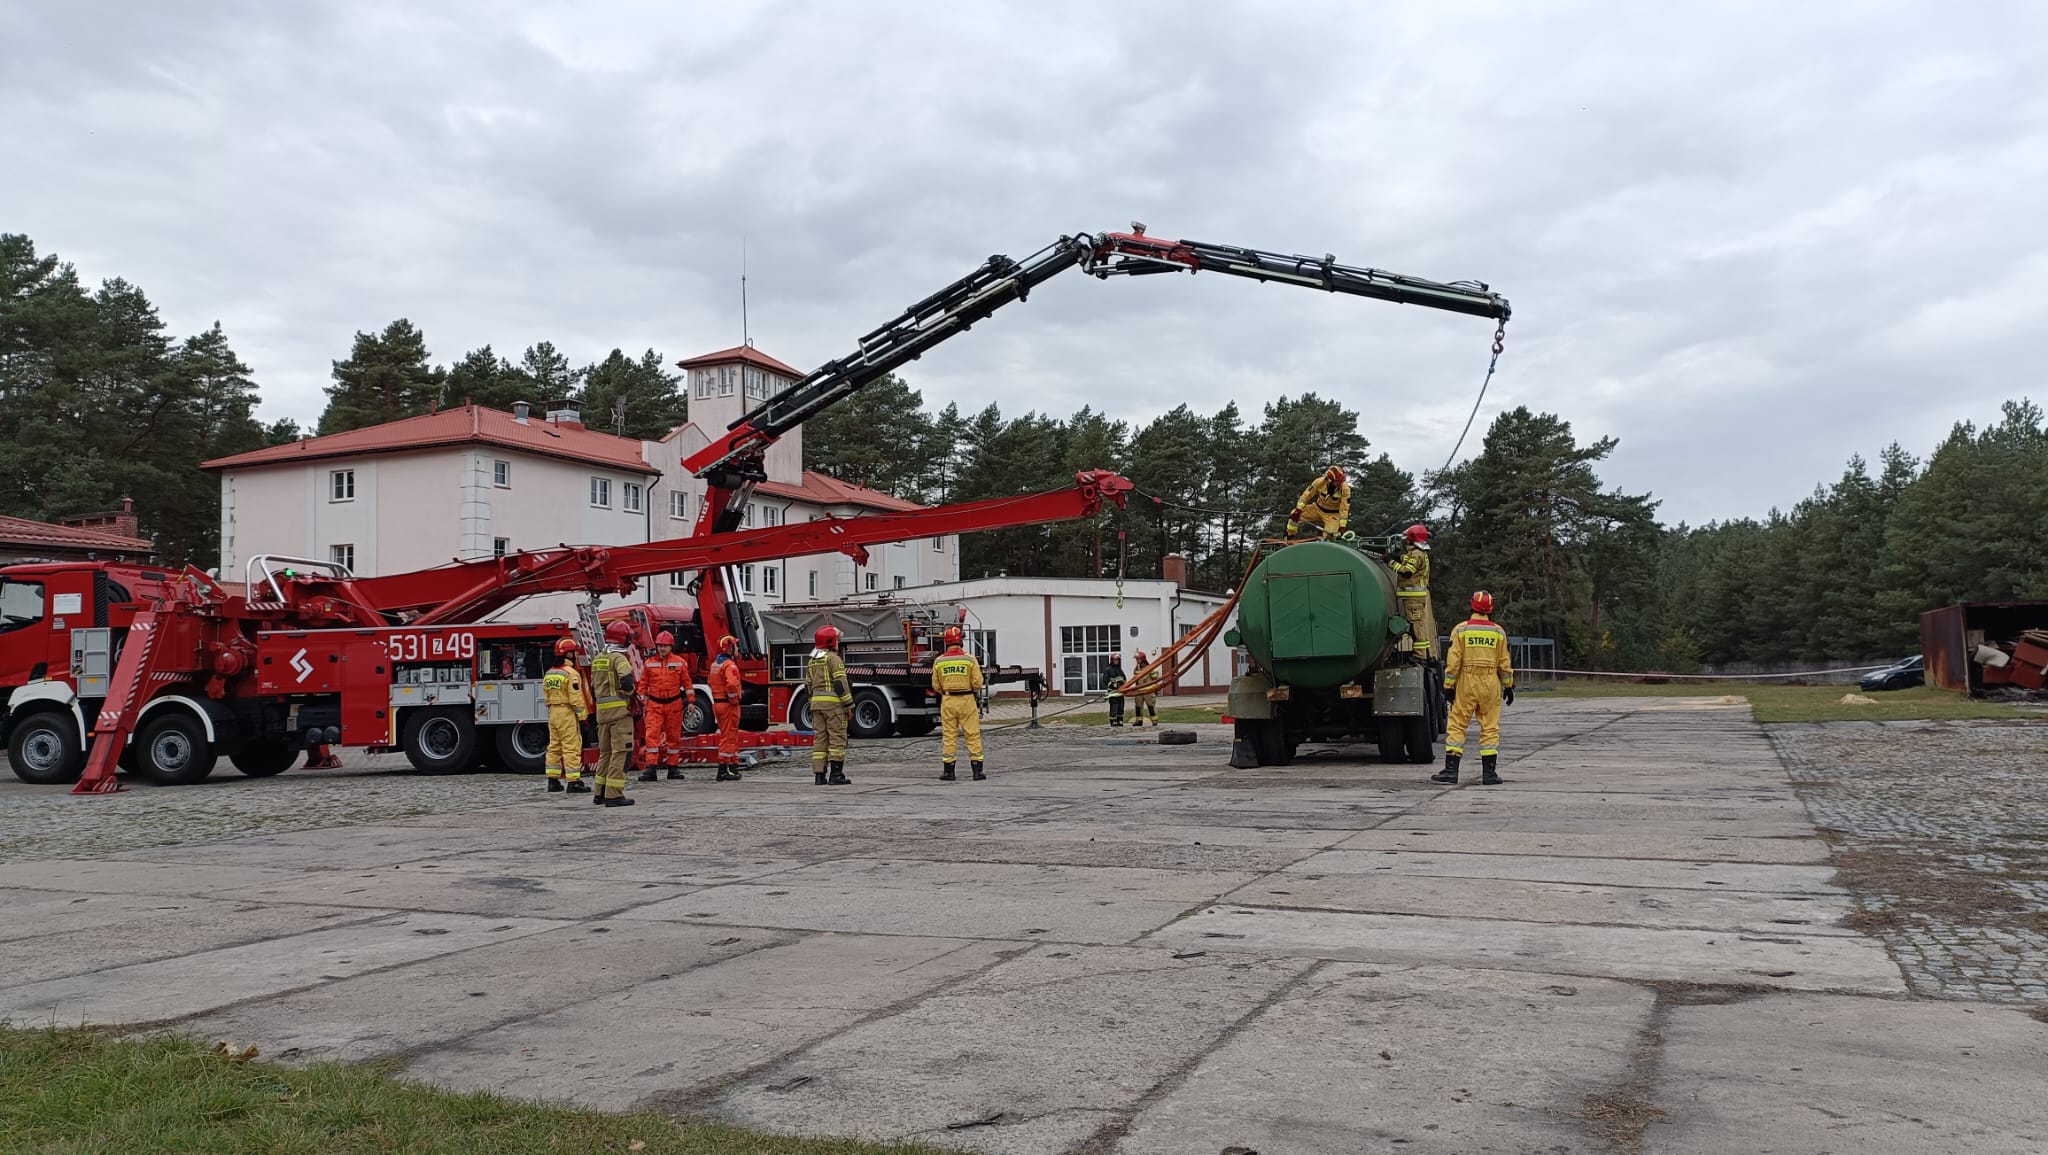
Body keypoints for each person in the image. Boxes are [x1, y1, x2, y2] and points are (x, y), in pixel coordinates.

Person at [1434, 590, 1515, 786]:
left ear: (1472, 606)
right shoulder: (1498, 632)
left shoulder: (1461, 630)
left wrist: (1449, 686)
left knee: (1457, 724)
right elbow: (1504, 662)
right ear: (1491, 609)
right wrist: (1508, 686)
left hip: (1466, 682)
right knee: (1490, 726)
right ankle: (1489, 774)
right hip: (1491, 682)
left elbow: (1453, 661)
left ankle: (1451, 771)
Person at [589, 621, 638, 806]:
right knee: (621, 753)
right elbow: (627, 682)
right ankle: (614, 795)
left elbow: (593, 686)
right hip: (619, 714)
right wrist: (631, 693)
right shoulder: (619, 658)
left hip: (602, 714)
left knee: (605, 753)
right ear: (624, 638)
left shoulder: (598, 658)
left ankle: (599, 793)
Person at [931, 626, 986, 780]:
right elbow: (977, 683)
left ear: (946, 642)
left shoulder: (939, 661)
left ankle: (949, 772)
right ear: (960, 641)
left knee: (949, 735)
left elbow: (936, 685)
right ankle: (977, 771)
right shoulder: (970, 659)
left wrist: (946, 691)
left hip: (948, 700)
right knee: (972, 734)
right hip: (967, 700)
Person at [638, 630, 691, 782]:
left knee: (673, 737)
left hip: (674, 704)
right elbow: (643, 683)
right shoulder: (649, 663)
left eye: (665, 646)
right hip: (655, 704)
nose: (662, 648)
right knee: (652, 736)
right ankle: (651, 768)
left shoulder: (680, 663)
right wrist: (641, 698)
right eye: (660, 645)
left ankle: (673, 768)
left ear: (671, 646)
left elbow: (687, 683)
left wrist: (691, 701)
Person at [542, 636, 591, 794]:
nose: (575, 655)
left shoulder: (549, 673)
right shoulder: (571, 673)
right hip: (567, 712)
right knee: (571, 747)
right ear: (568, 654)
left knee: (554, 746)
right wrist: (583, 718)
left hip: (553, 712)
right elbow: (576, 699)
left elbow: (546, 695)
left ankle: (553, 781)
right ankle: (573, 782)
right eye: (574, 652)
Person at [806, 625, 854, 786]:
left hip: (816, 706)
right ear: (832, 641)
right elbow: (840, 684)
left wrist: (812, 702)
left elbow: (808, 685)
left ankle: (819, 776)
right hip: (833, 706)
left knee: (820, 739)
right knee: (837, 738)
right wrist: (849, 704)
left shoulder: (813, 659)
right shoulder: (834, 659)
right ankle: (836, 775)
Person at [1390, 524, 1438, 658]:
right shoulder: (1417, 553)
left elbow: (1407, 572)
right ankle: (1422, 654)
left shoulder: (1416, 554)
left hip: (1414, 598)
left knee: (1416, 626)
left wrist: (1390, 562)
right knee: (1416, 625)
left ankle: (1420, 655)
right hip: (1414, 598)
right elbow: (1407, 561)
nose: (1405, 540)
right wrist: (1398, 557)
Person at [709, 633, 745, 782]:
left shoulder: (715, 664)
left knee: (729, 734)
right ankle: (724, 769)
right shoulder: (729, 665)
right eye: (735, 646)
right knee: (729, 736)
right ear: (729, 648)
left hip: (718, 703)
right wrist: (733, 699)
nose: (737, 649)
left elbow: (711, 682)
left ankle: (732, 766)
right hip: (728, 705)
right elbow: (731, 684)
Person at [1287, 465, 1351, 539]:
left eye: (1342, 479)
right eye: (1338, 480)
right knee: (1293, 515)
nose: (1341, 482)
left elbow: (1344, 508)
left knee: (1330, 535)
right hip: (1317, 509)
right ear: (1330, 480)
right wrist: (1298, 510)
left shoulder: (1345, 489)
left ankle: (1326, 543)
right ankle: (1289, 536)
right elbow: (1306, 496)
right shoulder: (1319, 482)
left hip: (1332, 515)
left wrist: (1342, 526)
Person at [1127, 650, 1160, 727]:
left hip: (1148, 691)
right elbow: (1135, 680)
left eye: (1138, 659)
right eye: (1136, 659)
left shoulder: (1150, 668)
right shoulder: (1136, 669)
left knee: (1151, 706)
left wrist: (1155, 689)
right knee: (1138, 706)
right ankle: (1139, 721)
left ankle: (1154, 721)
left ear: (1142, 659)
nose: (1137, 660)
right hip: (1139, 691)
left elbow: (1155, 679)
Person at [1103, 653, 1127, 727]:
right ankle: (1113, 721)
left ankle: (1120, 720)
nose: (1116, 661)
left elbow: (1124, 678)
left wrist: (1124, 685)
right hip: (1112, 692)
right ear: (1112, 660)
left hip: (1120, 692)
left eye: (1117, 660)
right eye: (1115, 660)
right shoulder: (1108, 670)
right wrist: (1113, 685)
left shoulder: (1119, 670)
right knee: (1114, 706)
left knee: (1121, 707)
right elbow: (1105, 680)